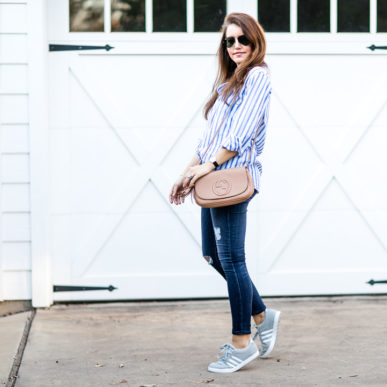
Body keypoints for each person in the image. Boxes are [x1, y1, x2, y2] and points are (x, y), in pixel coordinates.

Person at [168, 13, 281, 374]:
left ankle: (241, 342)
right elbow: (209, 140)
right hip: (213, 177)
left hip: (231, 179)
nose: (235, 46)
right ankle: (263, 314)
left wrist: (210, 167)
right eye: (229, 41)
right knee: (213, 256)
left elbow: (241, 134)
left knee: (232, 258)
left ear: (255, 41)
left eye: (242, 39)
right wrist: (187, 173)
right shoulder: (230, 83)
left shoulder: (259, 76)